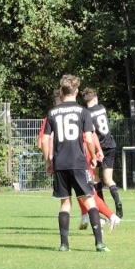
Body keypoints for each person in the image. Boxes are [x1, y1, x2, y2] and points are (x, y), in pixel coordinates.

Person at [41, 74, 109, 252]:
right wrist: (93, 156)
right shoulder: (83, 112)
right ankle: (99, 243)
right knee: (89, 200)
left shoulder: (52, 113)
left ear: (61, 91)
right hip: (78, 162)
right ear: (76, 91)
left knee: (65, 203)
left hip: (60, 163)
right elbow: (88, 138)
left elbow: (45, 140)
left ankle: (64, 244)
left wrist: (48, 161)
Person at [82, 88, 124, 218]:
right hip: (110, 144)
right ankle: (117, 201)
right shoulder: (102, 108)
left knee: (95, 177)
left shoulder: (86, 113)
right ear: (95, 98)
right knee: (108, 179)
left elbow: (91, 132)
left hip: (97, 147)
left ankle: (103, 206)